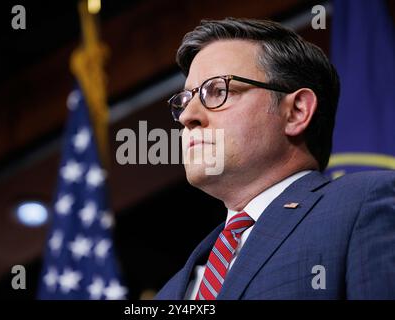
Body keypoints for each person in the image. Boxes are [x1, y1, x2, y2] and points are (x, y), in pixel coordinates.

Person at [155, 17, 395, 300]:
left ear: (296, 112)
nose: (187, 116)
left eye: (218, 90)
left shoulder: (364, 204)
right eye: (184, 100)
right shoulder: (170, 291)